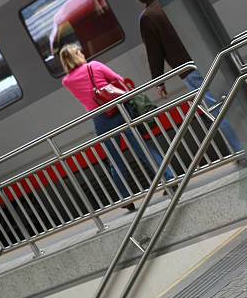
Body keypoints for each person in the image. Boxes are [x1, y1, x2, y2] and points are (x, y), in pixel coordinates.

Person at [131, 0, 242, 152]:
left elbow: (155, 52)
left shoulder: (148, 17)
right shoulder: (174, 2)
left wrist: (159, 82)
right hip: (212, 57)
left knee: (217, 110)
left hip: (189, 69)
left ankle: (242, 149)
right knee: (233, 99)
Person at [59, 44, 174, 212]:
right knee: (143, 149)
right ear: (76, 55)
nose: (83, 54)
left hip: (100, 119)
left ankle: (126, 198)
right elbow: (118, 79)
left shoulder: (67, 82)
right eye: (80, 52)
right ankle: (170, 179)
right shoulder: (94, 66)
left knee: (115, 158)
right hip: (120, 110)